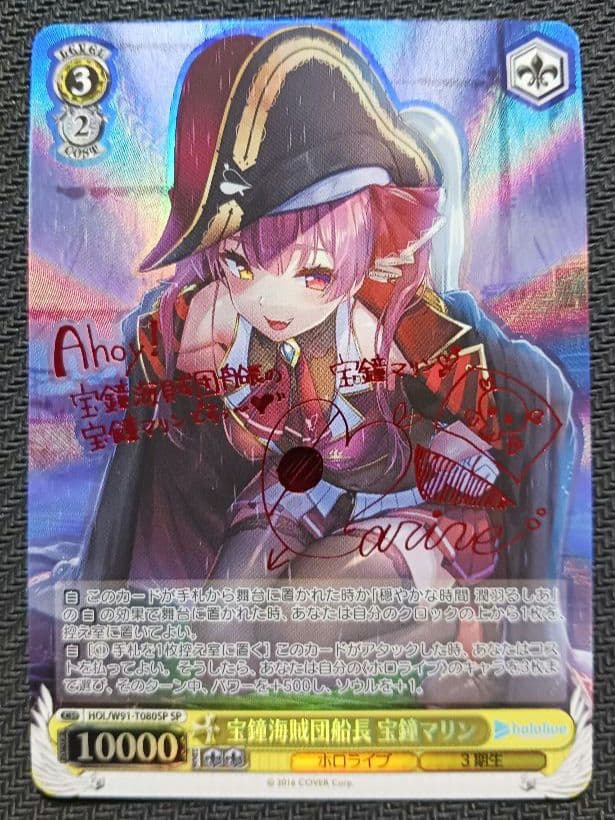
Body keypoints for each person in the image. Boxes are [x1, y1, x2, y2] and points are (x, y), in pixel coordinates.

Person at [75, 26, 577, 703]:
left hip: (406, 505)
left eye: (312, 272)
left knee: (307, 619)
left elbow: (526, 415)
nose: (270, 300)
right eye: (242, 265)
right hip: (292, 492)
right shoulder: (204, 321)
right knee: (221, 630)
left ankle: (450, 627)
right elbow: (164, 439)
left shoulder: (406, 327)